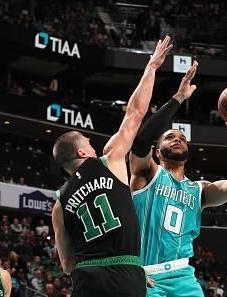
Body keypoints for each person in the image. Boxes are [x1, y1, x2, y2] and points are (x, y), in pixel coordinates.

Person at [51, 36, 173, 297]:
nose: (93, 145)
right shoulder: (110, 159)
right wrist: (151, 68)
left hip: (86, 281)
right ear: (82, 151)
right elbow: (135, 113)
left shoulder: (59, 203)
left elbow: (66, 264)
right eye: (88, 142)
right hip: (125, 274)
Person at [129, 63, 227, 297]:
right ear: (157, 152)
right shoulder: (146, 174)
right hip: (145, 274)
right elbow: (140, 142)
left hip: (183, 276)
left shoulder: (198, 190)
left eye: (182, 138)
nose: (178, 138)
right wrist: (178, 98)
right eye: (170, 137)